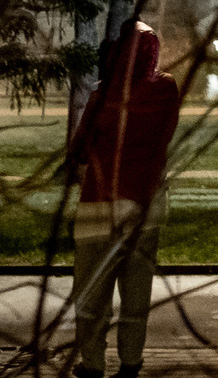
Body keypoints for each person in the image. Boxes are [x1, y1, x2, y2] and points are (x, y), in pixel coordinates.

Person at [69, 21, 183, 378]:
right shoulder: (166, 90)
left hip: (99, 205)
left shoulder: (103, 97)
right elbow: (166, 137)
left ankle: (92, 363)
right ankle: (131, 361)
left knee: (91, 292)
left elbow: (80, 151)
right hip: (144, 206)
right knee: (136, 290)